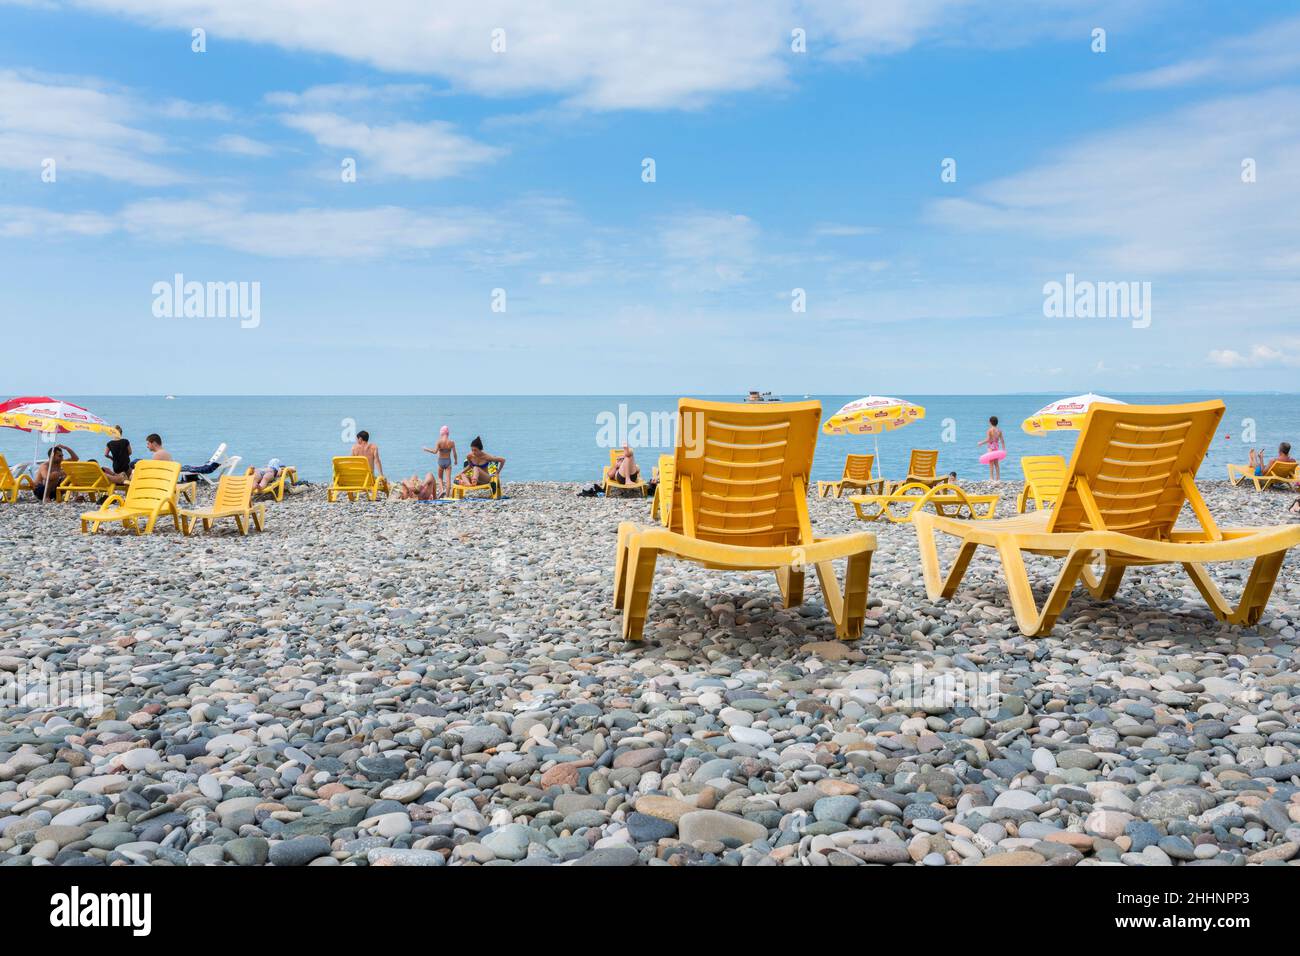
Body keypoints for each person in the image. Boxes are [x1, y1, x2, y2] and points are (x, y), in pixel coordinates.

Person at [423, 426, 457, 498]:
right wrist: (456, 461)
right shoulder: (451, 442)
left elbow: (435, 451)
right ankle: (447, 496)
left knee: (440, 478)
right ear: (448, 433)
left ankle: (441, 491)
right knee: (448, 480)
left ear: (441, 433)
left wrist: (426, 449)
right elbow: (454, 453)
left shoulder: (439, 442)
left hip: (441, 461)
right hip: (448, 461)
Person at [977, 415, 1006, 481]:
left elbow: (988, 440)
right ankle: (998, 478)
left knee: (991, 463)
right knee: (996, 463)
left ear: (990, 422)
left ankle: (991, 478)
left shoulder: (990, 430)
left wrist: (980, 443)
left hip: (990, 447)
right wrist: (1004, 449)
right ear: (997, 422)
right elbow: (1002, 440)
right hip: (996, 447)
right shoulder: (999, 431)